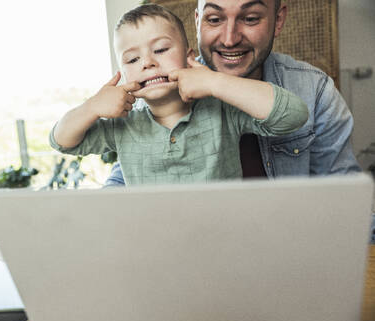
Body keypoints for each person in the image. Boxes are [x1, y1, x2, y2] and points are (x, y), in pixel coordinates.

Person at [105, 0, 361, 186]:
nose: (229, 39)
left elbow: (346, 203)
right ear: (198, 22)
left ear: (278, 20)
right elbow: (123, 183)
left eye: (250, 18)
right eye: (214, 19)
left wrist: (216, 84)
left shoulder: (315, 91)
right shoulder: (161, 89)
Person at [49, 4, 308, 185]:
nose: (147, 63)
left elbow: (293, 115)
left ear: (188, 57)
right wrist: (92, 107)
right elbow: (61, 141)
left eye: (161, 49)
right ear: (123, 73)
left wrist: (215, 82)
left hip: (224, 240)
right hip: (157, 247)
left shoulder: (221, 109)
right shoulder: (122, 125)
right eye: (132, 59)